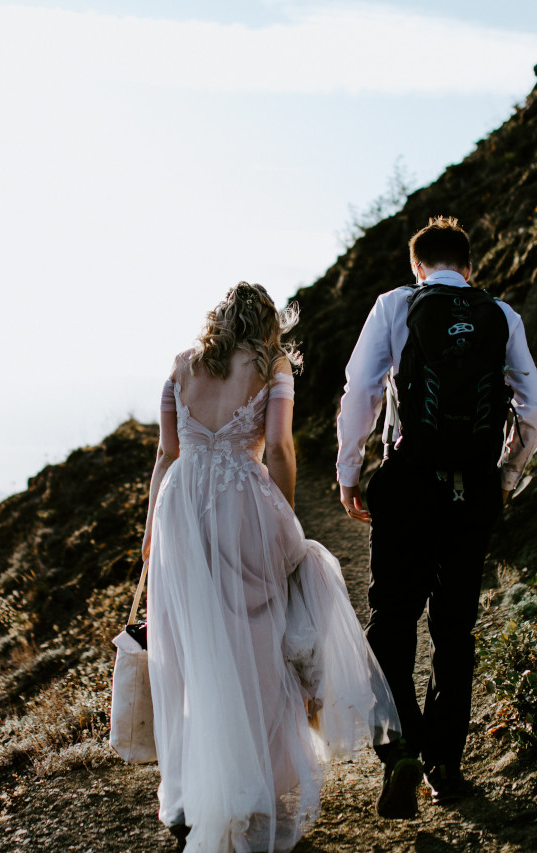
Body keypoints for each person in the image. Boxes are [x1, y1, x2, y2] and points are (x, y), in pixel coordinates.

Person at [142, 282, 400, 853]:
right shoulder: (270, 364)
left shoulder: (182, 366)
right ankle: (250, 783)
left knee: (193, 652)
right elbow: (280, 449)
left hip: (180, 507)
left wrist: (151, 534)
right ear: (267, 324)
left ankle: (194, 790)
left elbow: (166, 455)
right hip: (240, 504)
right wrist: (281, 514)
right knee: (253, 643)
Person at [336, 216, 537, 817]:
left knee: (393, 618)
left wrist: (350, 472)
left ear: (416, 266)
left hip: (407, 482)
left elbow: (361, 390)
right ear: (470, 266)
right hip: (473, 487)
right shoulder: (500, 314)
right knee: (455, 625)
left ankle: (400, 745)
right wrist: (506, 475)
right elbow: (535, 405)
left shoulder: (396, 305)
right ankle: (446, 765)